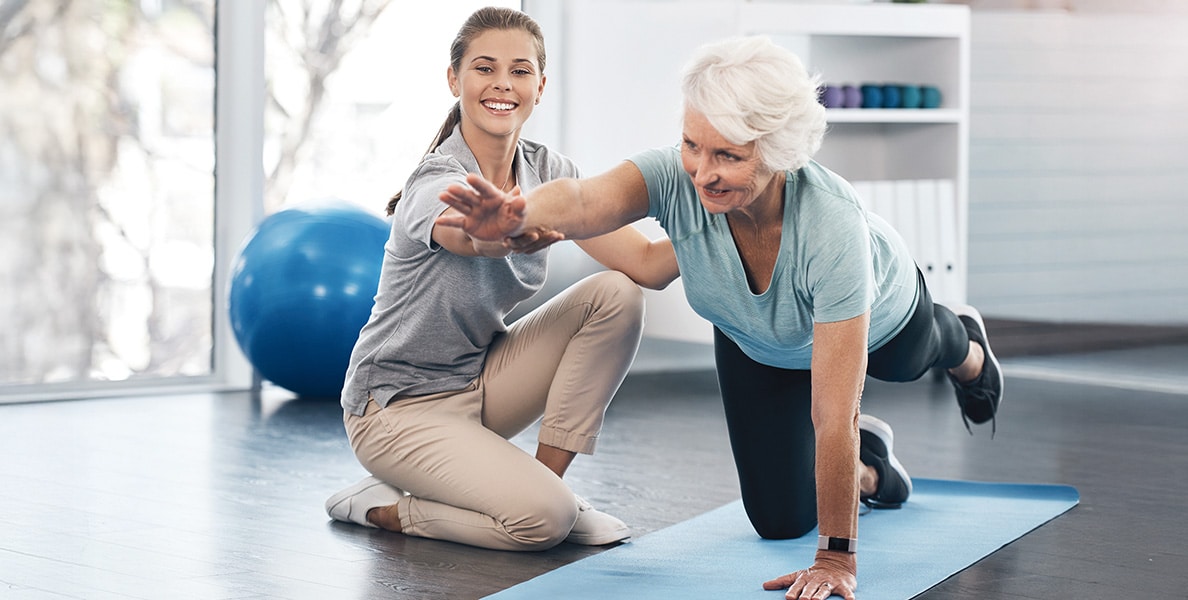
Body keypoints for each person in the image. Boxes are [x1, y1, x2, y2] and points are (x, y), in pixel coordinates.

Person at [438, 35, 1004, 599]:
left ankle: (967, 344)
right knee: (779, 521)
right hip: (755, 339)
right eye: (692, 145)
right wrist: (516, 215)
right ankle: (870, 470)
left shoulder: (832, 228)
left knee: (914, 357)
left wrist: (836, 557)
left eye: (729, 156)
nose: (702, 172)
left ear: (779, 151)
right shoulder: (676, 178)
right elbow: (587, 201)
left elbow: (834, 414)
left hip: (882, 318)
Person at [324, 7, 679, 552]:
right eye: (484, 68)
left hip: (479, 382)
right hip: (395, 409)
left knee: (616, 294)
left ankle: (546, 485)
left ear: (540, 85)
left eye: (519, 71)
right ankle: (386, 509)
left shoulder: (551, 172)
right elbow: (470, 237)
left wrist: (727, 213)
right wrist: (498, 233)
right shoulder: (436, 179)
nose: (502, 85)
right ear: (454, 79)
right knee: (541, 524)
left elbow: (649, 266)